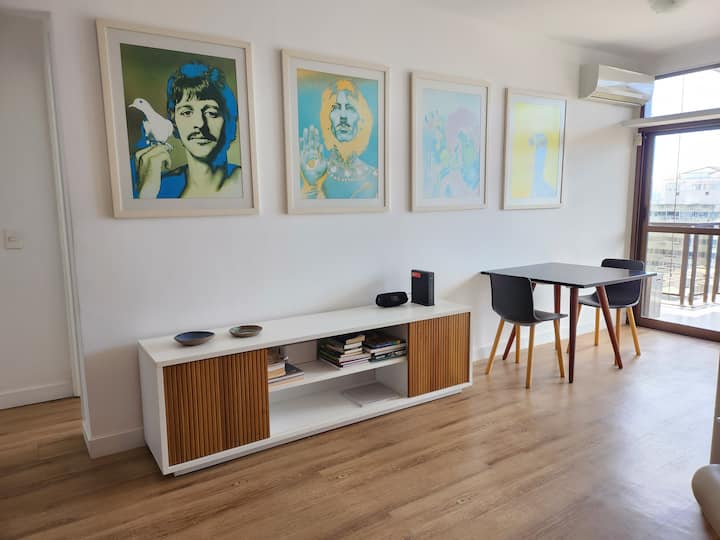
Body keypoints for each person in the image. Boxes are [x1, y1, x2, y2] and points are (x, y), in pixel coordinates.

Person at [132, 62, 241, 199]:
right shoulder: (156, 188)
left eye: (212, 113)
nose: (200, 124)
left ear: (229, 120)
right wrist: (146, 194)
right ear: (174, 121)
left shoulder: (248, 185)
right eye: (187, 112)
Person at [298, 79, 378, 199]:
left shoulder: (376, 178)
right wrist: (310, 186)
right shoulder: (314, 172)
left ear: (361, 119)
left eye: (350, 108)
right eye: (335, 108)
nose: (343, 116)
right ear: (327, 118)